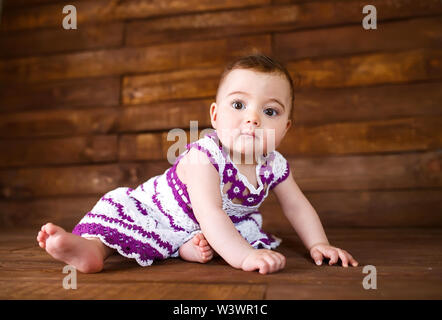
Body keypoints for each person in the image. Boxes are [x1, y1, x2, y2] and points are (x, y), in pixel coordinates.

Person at [36, 54, 358, 274]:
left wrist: (319, 243)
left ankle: (186, 246)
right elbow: (211, 212)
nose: (252, 118)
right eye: (239, 104)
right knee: (128, 225)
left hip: (212, 229)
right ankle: (93, 250)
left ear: (286, 128)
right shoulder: (204, 155)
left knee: (235, 233)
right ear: (215, 117)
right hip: (159, 212)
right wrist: (245, 256)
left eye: (270, 112)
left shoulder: (273, 165)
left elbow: (297, 206)